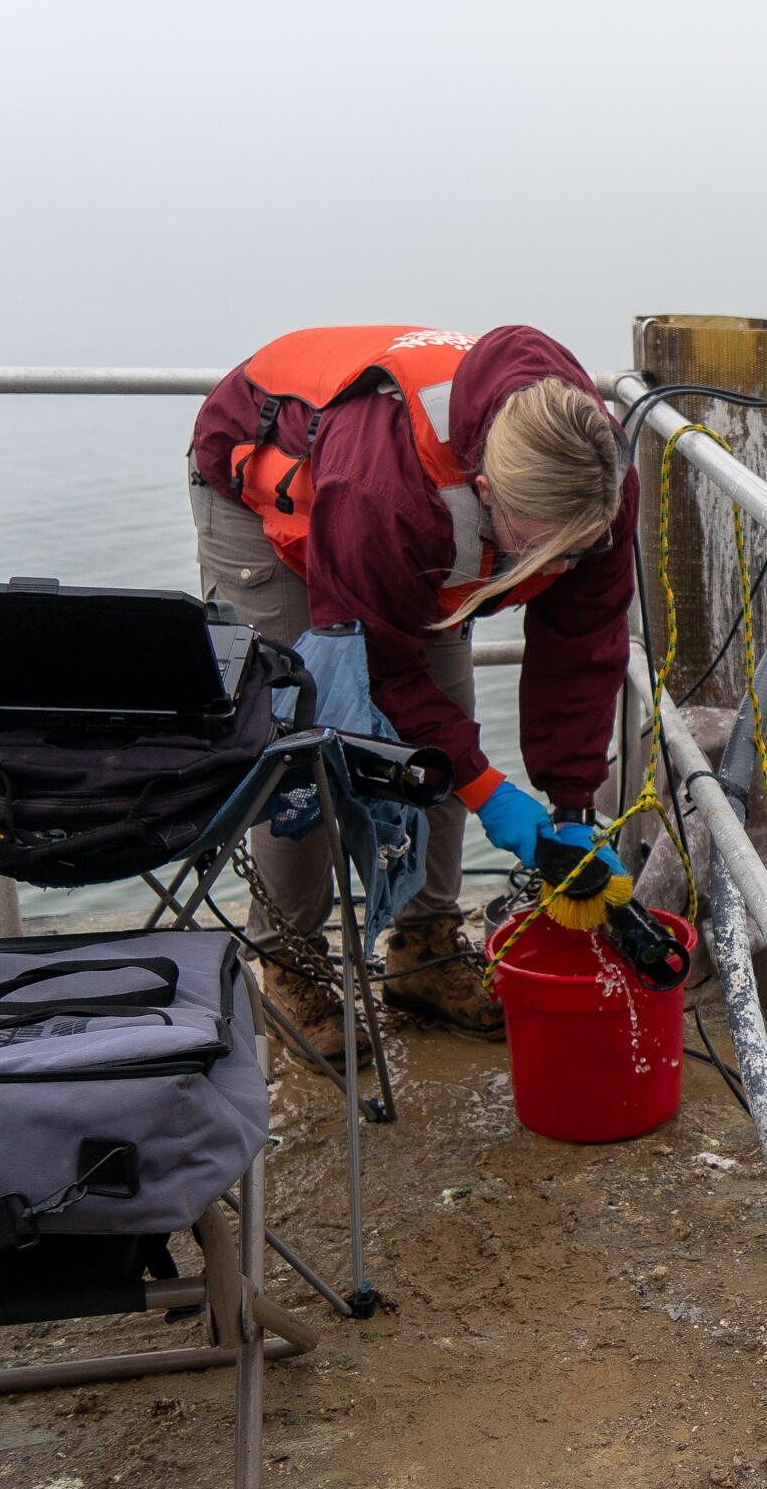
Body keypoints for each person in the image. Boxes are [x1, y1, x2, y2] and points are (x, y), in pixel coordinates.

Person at [188, 323, 637, 1064]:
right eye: (539, 547)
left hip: (421, 535)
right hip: (272, 501)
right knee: (295, 740)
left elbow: (582, 650)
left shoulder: (592, 481)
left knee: (445, 729)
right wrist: (490, 791)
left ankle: (421, 948)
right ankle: (290, 960)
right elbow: (377, 671)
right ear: (486, 490)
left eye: (575, 545)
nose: (558, 563)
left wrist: (570, 802)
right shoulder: (385, 494)